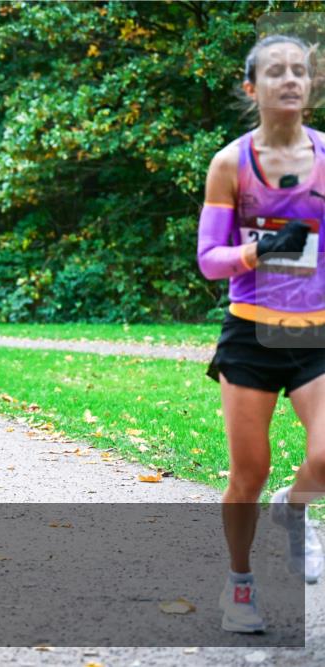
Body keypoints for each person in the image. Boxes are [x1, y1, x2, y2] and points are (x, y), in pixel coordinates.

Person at [197, 35, 325, 634]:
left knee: (323, 456)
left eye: (301, 71)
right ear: (253, 88)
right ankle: (240, 585)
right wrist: (255, 251)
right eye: (276, 72)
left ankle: (296, 512)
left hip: (315, 334)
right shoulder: (231, 164)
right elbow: (209, 260)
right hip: (250, 335)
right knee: (248, 473)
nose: (291, 80)